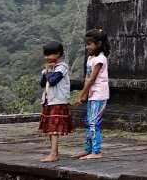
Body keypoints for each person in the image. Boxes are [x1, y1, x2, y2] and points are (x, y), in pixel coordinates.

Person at [76, 29, 110, 160]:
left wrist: (81, 94)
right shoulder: (91, 58)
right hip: (92, 94)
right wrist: (85, 94)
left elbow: (92, 79)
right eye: (87, 44)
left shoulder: (100, 59)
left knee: (94, 123)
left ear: (98, 44)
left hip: (99, 94)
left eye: (89, 44)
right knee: (88, 122)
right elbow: (87, 77)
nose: (87, 47)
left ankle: (96, 151)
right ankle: (88, 149)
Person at [37, 41, 73, 162]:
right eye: (46, 55)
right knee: (50, 128)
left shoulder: (62, 67)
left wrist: (48, 71)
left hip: (58, 101)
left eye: (50, 54)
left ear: (58, 54)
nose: (47, 57)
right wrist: (46, 71)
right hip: (49, 100)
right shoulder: (48, 68)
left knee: (54, 129)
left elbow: (53, 81)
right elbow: (43, 83)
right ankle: (54, 153)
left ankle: (53, 154)